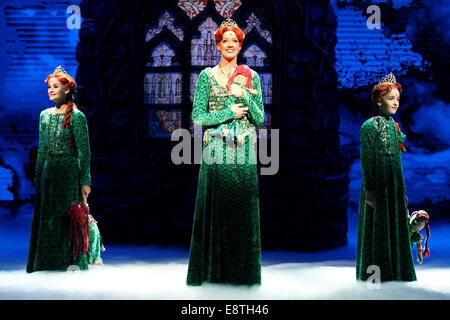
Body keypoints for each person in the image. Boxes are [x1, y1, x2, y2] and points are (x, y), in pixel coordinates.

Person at [186, 18, 265, 286]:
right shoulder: (206, 77)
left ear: (240, 45)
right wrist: (226, 113)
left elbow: (259, 117)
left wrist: (246, 96)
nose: (230, 45)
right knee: (216, 208)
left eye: (235, 41)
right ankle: (213, 274)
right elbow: (198, 116)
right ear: (218, 45)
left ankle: (243, 275)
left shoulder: (251, 76)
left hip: (244, 149)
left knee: (242, 210)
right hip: (216, 149)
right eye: (225, 41)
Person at [26, 66, 104, 273]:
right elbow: (42, 149)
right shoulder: (44, 116)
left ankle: (70, 261)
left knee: (68, 217)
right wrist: (37, 177)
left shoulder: (77, 117)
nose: (51, 90)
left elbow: (84, 152)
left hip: (69, 174)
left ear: (67, 90)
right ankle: (45, 262)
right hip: (48, 174)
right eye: (49, 87)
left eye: (56, 87)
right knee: (47, 217)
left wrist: (85, 180)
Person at [356, 73, 416, 282]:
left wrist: (403, 191)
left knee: (396, 226)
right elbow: (366, 160)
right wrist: (371, 190)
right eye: (391, 98)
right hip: (377, 186)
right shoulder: (369, 127)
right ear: (379, 99)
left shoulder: (394, 127)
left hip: (394, 185)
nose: (396, 103)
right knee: (377, 227)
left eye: (398, 99)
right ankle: (376, 275)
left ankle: (399, 271)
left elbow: (397, 162)